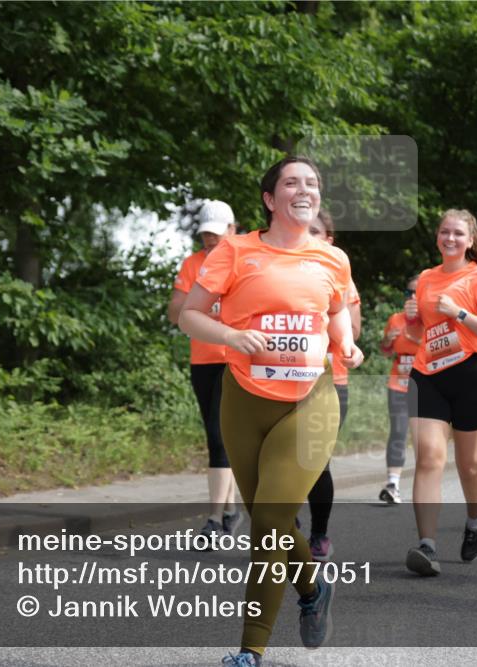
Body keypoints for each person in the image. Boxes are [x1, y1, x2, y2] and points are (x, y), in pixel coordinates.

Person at [179, 156, 363, 666]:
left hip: (311, 401)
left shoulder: (333, 258)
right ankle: (312, 588)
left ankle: (250, 651)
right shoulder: (236, 251)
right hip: (243, 399)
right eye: (291, 183)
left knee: (269, 519)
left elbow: (337, 316)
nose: (304, 190)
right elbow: (189, 316)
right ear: (269, 199)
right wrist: (233, 335)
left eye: (312, 183)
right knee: (272, 519)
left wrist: (346, 344)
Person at [403, 208, 477, 576]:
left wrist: (459, 313)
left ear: (469, 240)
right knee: (429, 457)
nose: (450, 239)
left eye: (458, 234)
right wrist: (413, 319)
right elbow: (421, 334)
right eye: (444, 232)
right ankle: (427, 546)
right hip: (427, 374)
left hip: (472, 376)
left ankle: (476, 519)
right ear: (437, 237)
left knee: (469, 465)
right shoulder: (427, 279)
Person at [167, 200, 242, 541]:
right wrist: (207, 305)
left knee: (219, 434)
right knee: (217, 435)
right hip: (202, 360)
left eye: (216, 234)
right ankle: (229, 509)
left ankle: (214, 519)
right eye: (205, 234)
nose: (210, 241)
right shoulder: (192, 264)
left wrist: (201, 307)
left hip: (235, 359)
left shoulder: (243, 261)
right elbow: (175, 312)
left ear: (232, 230)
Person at [305, 210, 362, 561]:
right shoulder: (278, 268)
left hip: (328, 382)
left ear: (329, 239)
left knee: (314, 462)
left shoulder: (340, 276)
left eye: (316, 231)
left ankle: (319, 534)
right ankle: (285, 527)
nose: (307, 235)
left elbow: (352, 332)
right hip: (278, 381)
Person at [378, 275, 421, 505]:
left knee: (424, 437)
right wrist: (387, 340)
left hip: (427, 386)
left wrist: (416, 324)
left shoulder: (435, 321)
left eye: (417, 292)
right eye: (408, 293)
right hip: (399, 383)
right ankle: (392, 484)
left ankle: (425, 485)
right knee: (398, 432)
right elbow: (385, 350)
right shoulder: (395, 319)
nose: (412, 298)